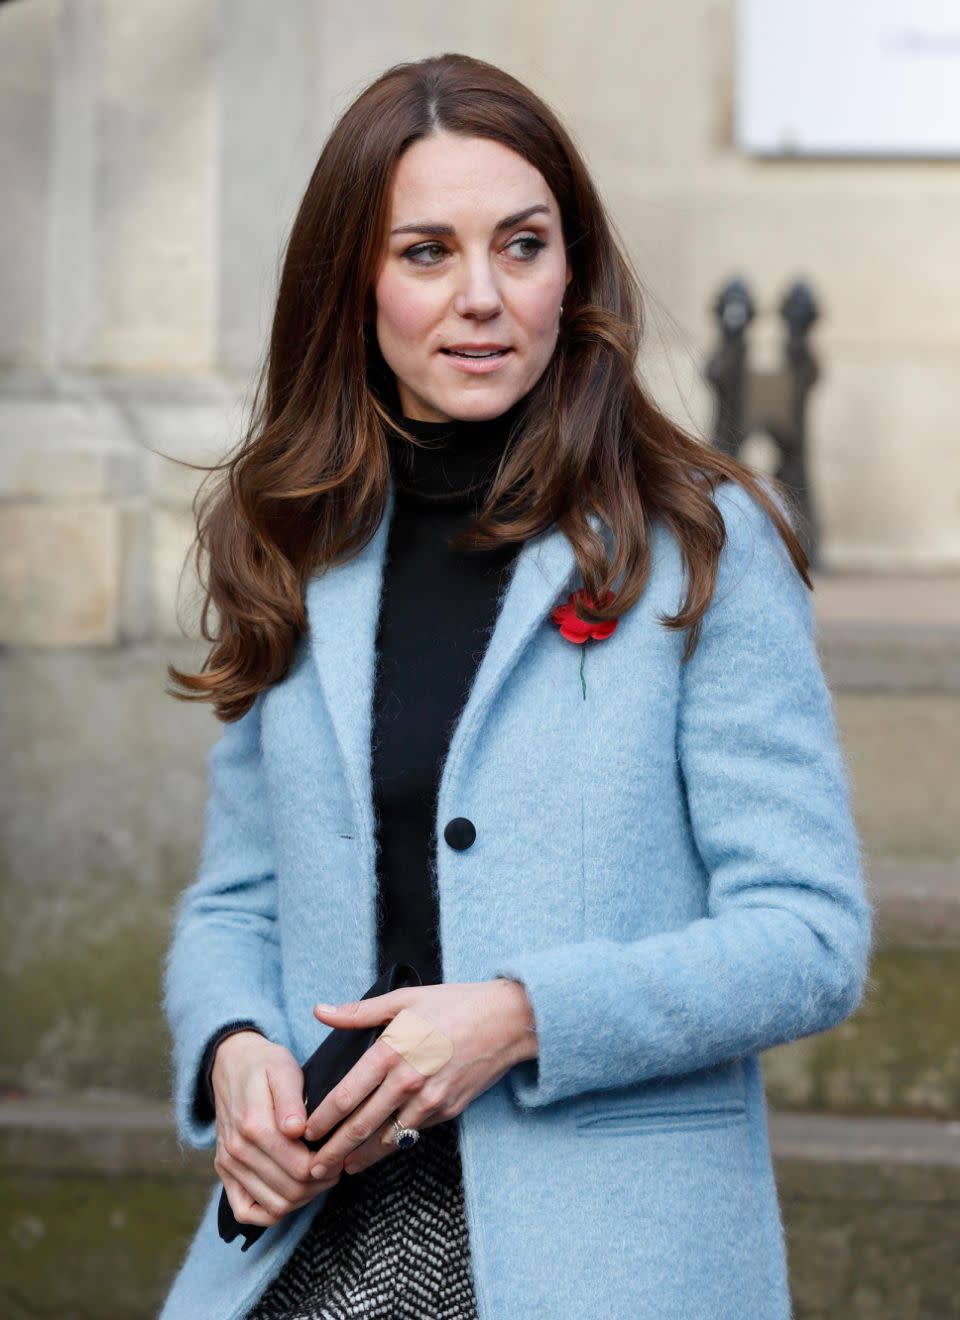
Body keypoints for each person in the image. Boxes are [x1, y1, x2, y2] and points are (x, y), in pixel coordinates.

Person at [159, 52, 873, 1320]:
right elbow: (238, 899)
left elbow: (812, 939)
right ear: (353, 285)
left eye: (522, 246)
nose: (481, 298)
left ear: (573, 272)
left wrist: (521, 1015)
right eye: (426, 251)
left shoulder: (700, 542)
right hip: (315, 1228)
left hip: (609, 1251)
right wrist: (234, 1051)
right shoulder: (297, 537)